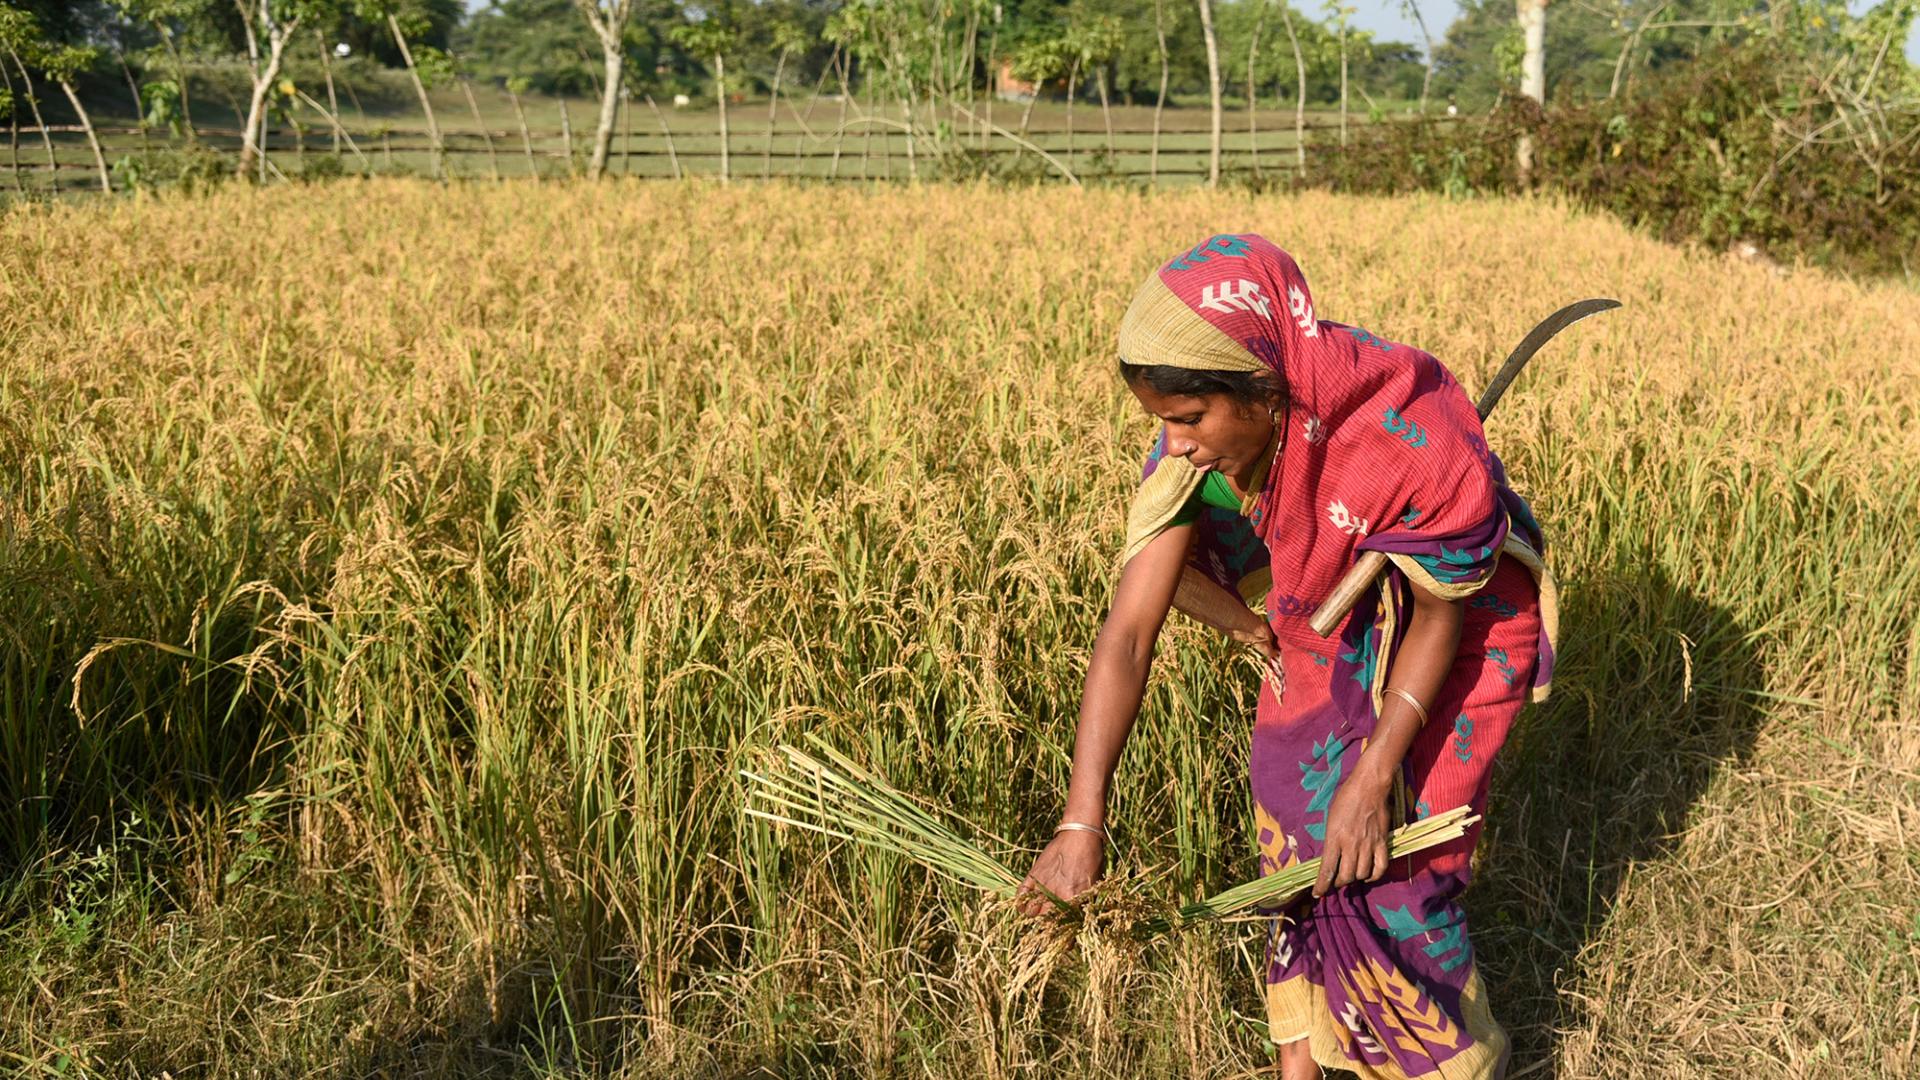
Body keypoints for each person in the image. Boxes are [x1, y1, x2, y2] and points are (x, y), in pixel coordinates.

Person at [1019, 235, 1558, 1080]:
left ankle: (1449, 1063)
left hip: (1453, 626)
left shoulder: (1405, 433)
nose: (1177, 444)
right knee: (1297, 839)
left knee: (1394, 869)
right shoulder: (1194, 444)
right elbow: (1128, 631)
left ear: (1265, 389)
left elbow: (1438, 615)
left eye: (1189, 419)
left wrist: (1376, 774)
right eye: (1162, 421)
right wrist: (1081, 820)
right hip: (1322, 620)